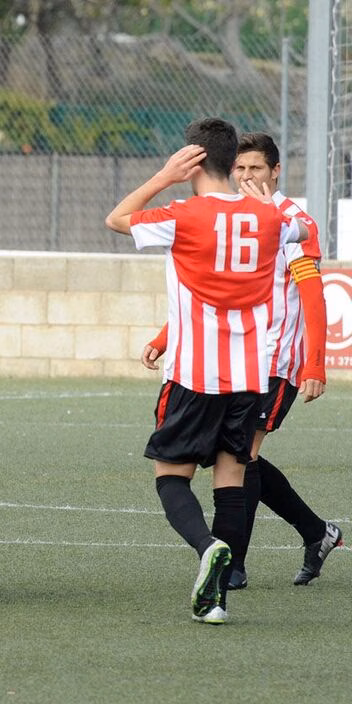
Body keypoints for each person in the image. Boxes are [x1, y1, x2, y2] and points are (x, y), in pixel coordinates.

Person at [106, 117, 306, 624]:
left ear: (192, 159)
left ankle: (207, 547)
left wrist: (163, 176)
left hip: (195, 373)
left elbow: (117, 219)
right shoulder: (271, 217)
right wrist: (263, 203)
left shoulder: (183, 214)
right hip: (251, 376)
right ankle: (216, 597)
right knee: (232, 477)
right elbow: (299, 227)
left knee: (171, 476)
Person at [142, 131, 339, 589]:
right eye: (241, 169)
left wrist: (315, 362)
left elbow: (311, 290)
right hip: (238, 357)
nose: (248, 176)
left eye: (257, 169)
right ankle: (316, 532)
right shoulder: (232, 213)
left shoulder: (286, 216)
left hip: (276, 360)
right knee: (234, 457)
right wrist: (169, 335)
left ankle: (233, 566)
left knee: (241, 457)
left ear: (275, 172)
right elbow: (215, 287)